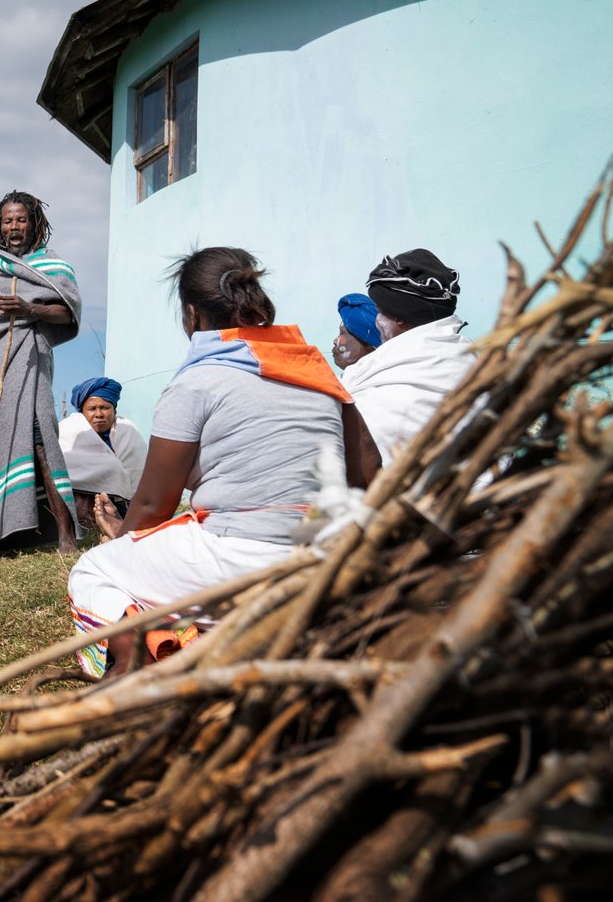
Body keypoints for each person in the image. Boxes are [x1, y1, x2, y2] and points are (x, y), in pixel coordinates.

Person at [67, 247, 378, 680]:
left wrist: (123, 540)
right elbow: (368, 471)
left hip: (240, 563)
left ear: (192, 316)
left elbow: (156, 502)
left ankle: (132, 661)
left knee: (95, 567)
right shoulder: (317, 371)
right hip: (327, 561)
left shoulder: (196, 382)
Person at [0, 191, 83, 569]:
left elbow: (68, 311)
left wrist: (30, 309)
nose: (14, 227)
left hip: (29, 361)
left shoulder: (51, 265)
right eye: (7, 221)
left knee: (41, 440)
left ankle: (65, 536)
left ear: (34, 222)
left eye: (21, 220)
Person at [343, 249, 477, 467]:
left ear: (397, 317)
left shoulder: (382, 389)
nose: (376, 321)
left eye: (379, 311)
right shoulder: (469, 359)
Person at [57, 376, 147, 516]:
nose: (98, 414)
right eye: (92, 409)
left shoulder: (127, 431)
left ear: (115, 411)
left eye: (105, 408)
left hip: (125, 508)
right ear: (82, 412)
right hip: (71, 506)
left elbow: (137, 476)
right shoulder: (68, 431)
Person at [331, 293, 382, 370]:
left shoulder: (381, 380)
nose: (335, 341)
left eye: (343, 333)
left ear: (367, 343)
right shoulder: (347, 379)